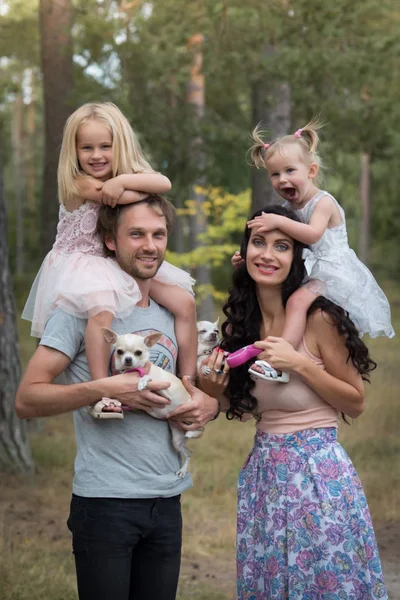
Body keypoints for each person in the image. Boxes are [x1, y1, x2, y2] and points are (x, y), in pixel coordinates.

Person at [16, 195, 220, 600]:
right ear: (110, 240)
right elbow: (27, 399)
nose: (150, 245)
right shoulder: (84, 311)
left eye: (158, 234)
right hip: (105, 502)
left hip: (167, 501)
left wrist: (209, 405)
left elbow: (194, 388)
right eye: (137, 234)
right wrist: (107, 387)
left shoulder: (173, 312)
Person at [200, 204, 388, 599]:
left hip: (318, 479)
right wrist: (214, 389)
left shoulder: (320, 319)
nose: (267, 254)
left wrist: (300, 363)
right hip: (264, 479)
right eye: (258, 242)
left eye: (282, 246)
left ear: (297, 256)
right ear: (245, 251)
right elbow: (247, 408)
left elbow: (355, 403)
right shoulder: (241, 327)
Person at [22, 102, 198, 417]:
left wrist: (122, 180)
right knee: (102, 312)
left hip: (113, 259)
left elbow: (165, 184)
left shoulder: (119, 179)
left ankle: (188, 380)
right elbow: (132, 195)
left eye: (106, 146)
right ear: (73, 153)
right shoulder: (78, 182)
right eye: (86, 148)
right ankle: (103, 389)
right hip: (81, 263)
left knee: (184, 302)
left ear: (120, 146)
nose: (97, 155)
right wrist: (122, 184)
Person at [232, 118, 394, 382]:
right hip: (309, 268)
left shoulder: (323, 202)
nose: (282, 179)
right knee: (286, 303)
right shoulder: (286, 211)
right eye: (275, 174)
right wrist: (246, 257)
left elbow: (313, 234)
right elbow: (279, 246)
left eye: (290, 171)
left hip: (331, 271)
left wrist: (278, 221)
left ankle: (280, 362)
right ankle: (288, 354)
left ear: (311, 171)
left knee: (297, 302)